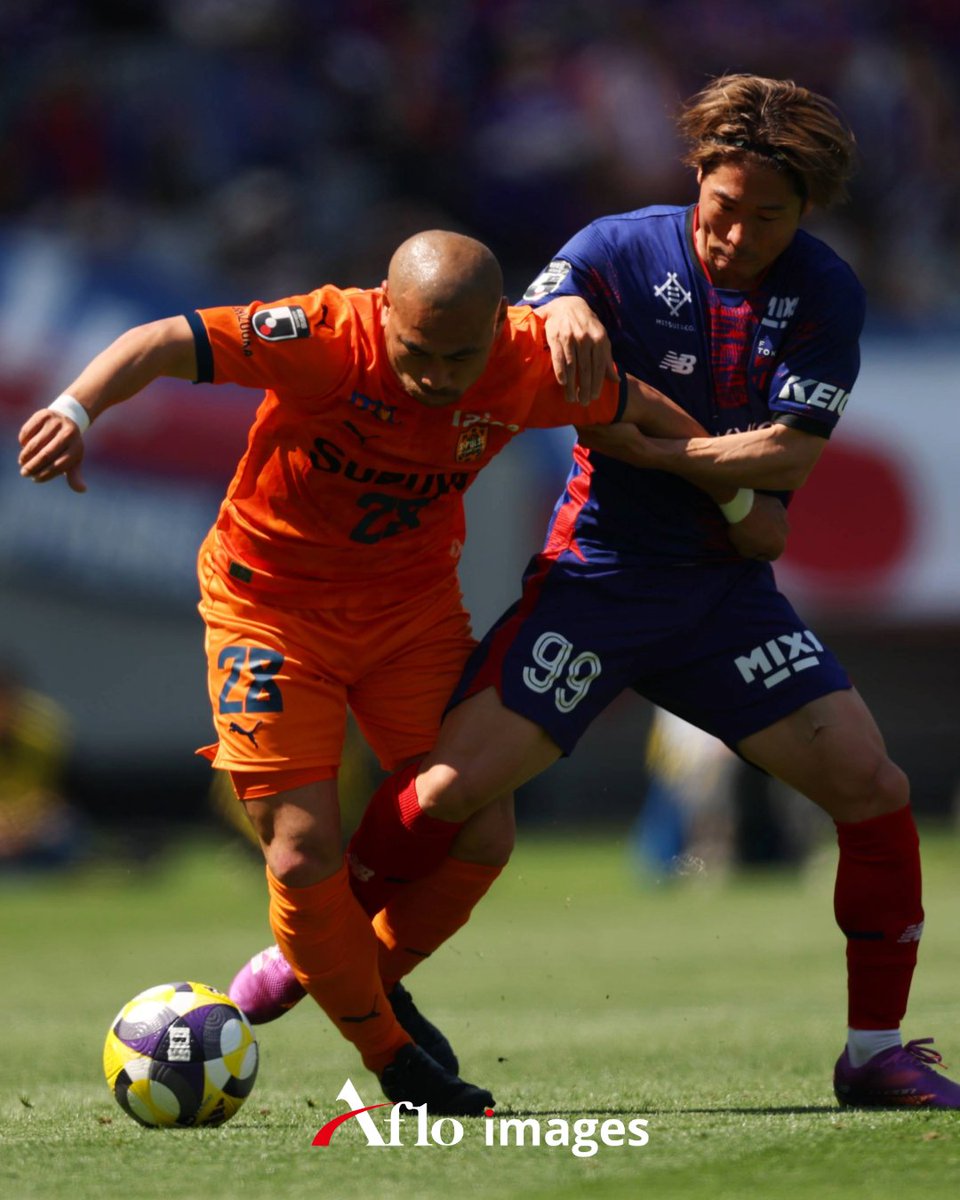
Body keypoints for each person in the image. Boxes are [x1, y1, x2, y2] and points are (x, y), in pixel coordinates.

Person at [230, 75, 960, 1109]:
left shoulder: (827, 291)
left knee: (874, 791)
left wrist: (662, 455)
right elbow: (534, 321)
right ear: (695, 179)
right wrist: (567, 304)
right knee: (443, 794)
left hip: (724, 596)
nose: (736, 235)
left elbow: (789, 458)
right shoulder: (617, 247)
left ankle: (873, 1052)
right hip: (595, 580)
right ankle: (305, 964)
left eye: (768, 218)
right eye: (722, 207)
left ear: (808, 214)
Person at [18, 229, 785, 1115]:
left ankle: (362, 979)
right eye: (417, 354)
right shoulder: (320, 335)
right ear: (385, 311)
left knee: (483, 832)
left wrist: (730, 496)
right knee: (305, 851)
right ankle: (392, 1056)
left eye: (460, 358)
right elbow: (158, 341)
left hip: (410, 620)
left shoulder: (528, 360)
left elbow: (644, 410)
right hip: (269, 611)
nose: (436, 378)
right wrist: (76, 409)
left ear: (498, 327)